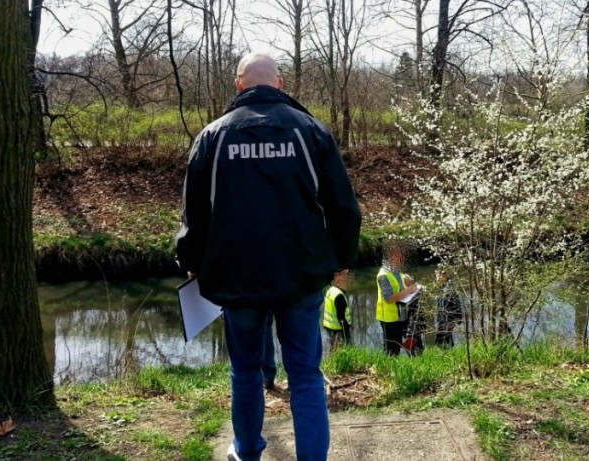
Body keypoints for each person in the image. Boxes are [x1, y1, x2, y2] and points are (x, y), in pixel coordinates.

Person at [175, 52, 361, 461]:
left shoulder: (213, 136)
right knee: (306, 375)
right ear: (279, 84)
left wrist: (189, 260)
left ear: (239, 85)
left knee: (244, 373)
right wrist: (342, 258)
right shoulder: (312, 131)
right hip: (302, 275)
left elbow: (194, 215)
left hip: (236, 278)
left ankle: (246, 451)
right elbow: (343, 207)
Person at [375, 244, 418, 356]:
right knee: (392, 350)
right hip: (390, 319)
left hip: (404, 315)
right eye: (400, 255)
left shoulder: (398, 271)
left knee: (411, 343)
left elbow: (405, 289)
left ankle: (414, 364)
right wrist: (408, 290)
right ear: (391, 256)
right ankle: (390, 371)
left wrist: (411, 285)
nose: (403, 258)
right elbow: (389, 298)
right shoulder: (383, 275)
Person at [322, 269, 352, 349]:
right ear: (337, 279)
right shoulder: (339, 296)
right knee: (345, 349)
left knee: (333, 349)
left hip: (329, 327)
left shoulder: (331, 290)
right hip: (338, 329)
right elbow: (341, 317)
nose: (347, 280)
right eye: (344, 276)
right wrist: (347, 329)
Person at [434, 270, 462, 348]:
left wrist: (457, 319)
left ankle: (447, 352)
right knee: (445, 338)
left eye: (438, 276)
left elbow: (456, 302)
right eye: (436, 276)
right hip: (441, 319)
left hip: (448, 318)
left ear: (444, 276)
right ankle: (449, 351)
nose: (437, 278)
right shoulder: (441, 287)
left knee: (441, 339)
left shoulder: (450, 287)